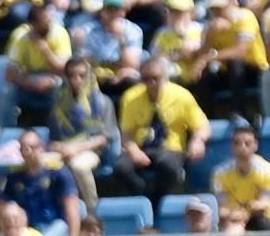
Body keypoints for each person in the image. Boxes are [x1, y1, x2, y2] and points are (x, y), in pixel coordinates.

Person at [115, 57, 209, 209]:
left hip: (170, 148)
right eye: (146, 79)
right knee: (121, 167)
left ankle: (156, 203)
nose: (151, 83)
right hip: (141, 147)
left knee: (167, 165)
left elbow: (202, 126)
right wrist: (133, 151)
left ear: (165, 77)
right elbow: (126, 133)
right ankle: (144, 198)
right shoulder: (130, 97)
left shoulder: (182, 95)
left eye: (155, 78)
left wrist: (198, 141)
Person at [48, 57, 118, 211]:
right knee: (41, 163)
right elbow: (52, 140)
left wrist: (75, 149)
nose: (77, 80)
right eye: (72, 75)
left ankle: (92, 210)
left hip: (92, 151)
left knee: (78, 166)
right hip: (63, 150)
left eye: (81, 75)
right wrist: (61, 148)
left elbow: (104, 138)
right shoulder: (59, 103)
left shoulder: (102, 102)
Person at [4, 128, 82, 236]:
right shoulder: (15, 177)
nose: (27, 152)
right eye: (23, 148)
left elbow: (71, 207)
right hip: (29, 230)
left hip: (56, 226)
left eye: (32, 147)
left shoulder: (58, 173)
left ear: (41, 147)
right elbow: (4, 207)